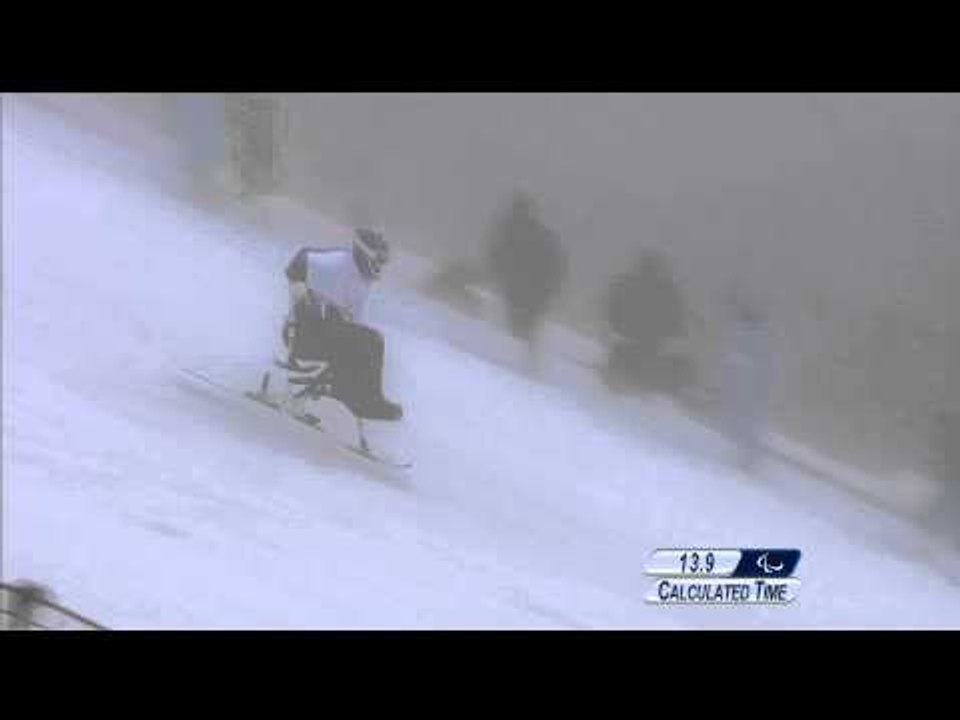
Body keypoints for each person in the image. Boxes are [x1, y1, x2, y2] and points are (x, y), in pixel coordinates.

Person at [280, 227, 403, 451]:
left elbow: (356, 323)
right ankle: (359, 399)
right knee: (363, 338)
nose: (381, 266)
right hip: (303, 334)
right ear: (365, 254)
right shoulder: (335, 263)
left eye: (385, 261)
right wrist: (299, 292)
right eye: (379, 259)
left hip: (328, 335)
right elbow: (300, 259)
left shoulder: (363, 283)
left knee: (373, 340)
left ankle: (364, 400)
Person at [486, 192, 568, 369]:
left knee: (515, 329)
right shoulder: (543, 235)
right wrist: (549, 293)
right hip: (535, 295)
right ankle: (526, 367)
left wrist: (497, 277)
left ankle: (511, 366)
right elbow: (557, 268)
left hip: (516, 291)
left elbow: (495, 257)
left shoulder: (509, 231)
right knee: (527, 332)